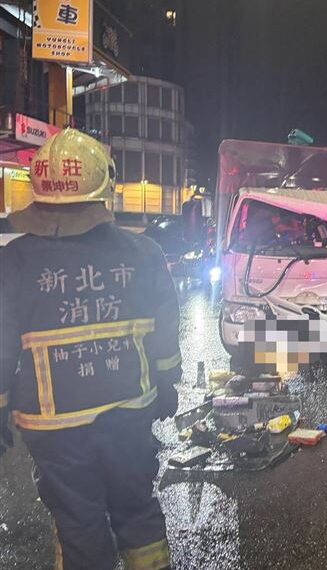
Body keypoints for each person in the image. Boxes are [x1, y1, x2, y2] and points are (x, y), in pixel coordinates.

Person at [0, 129, 181, 570]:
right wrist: (165, 384)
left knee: (79, 525)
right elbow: (164, 333)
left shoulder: (14, 261)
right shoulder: (144, 253)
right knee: (137, 512)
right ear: (106, 190)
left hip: (54, 427)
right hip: (130, 411)